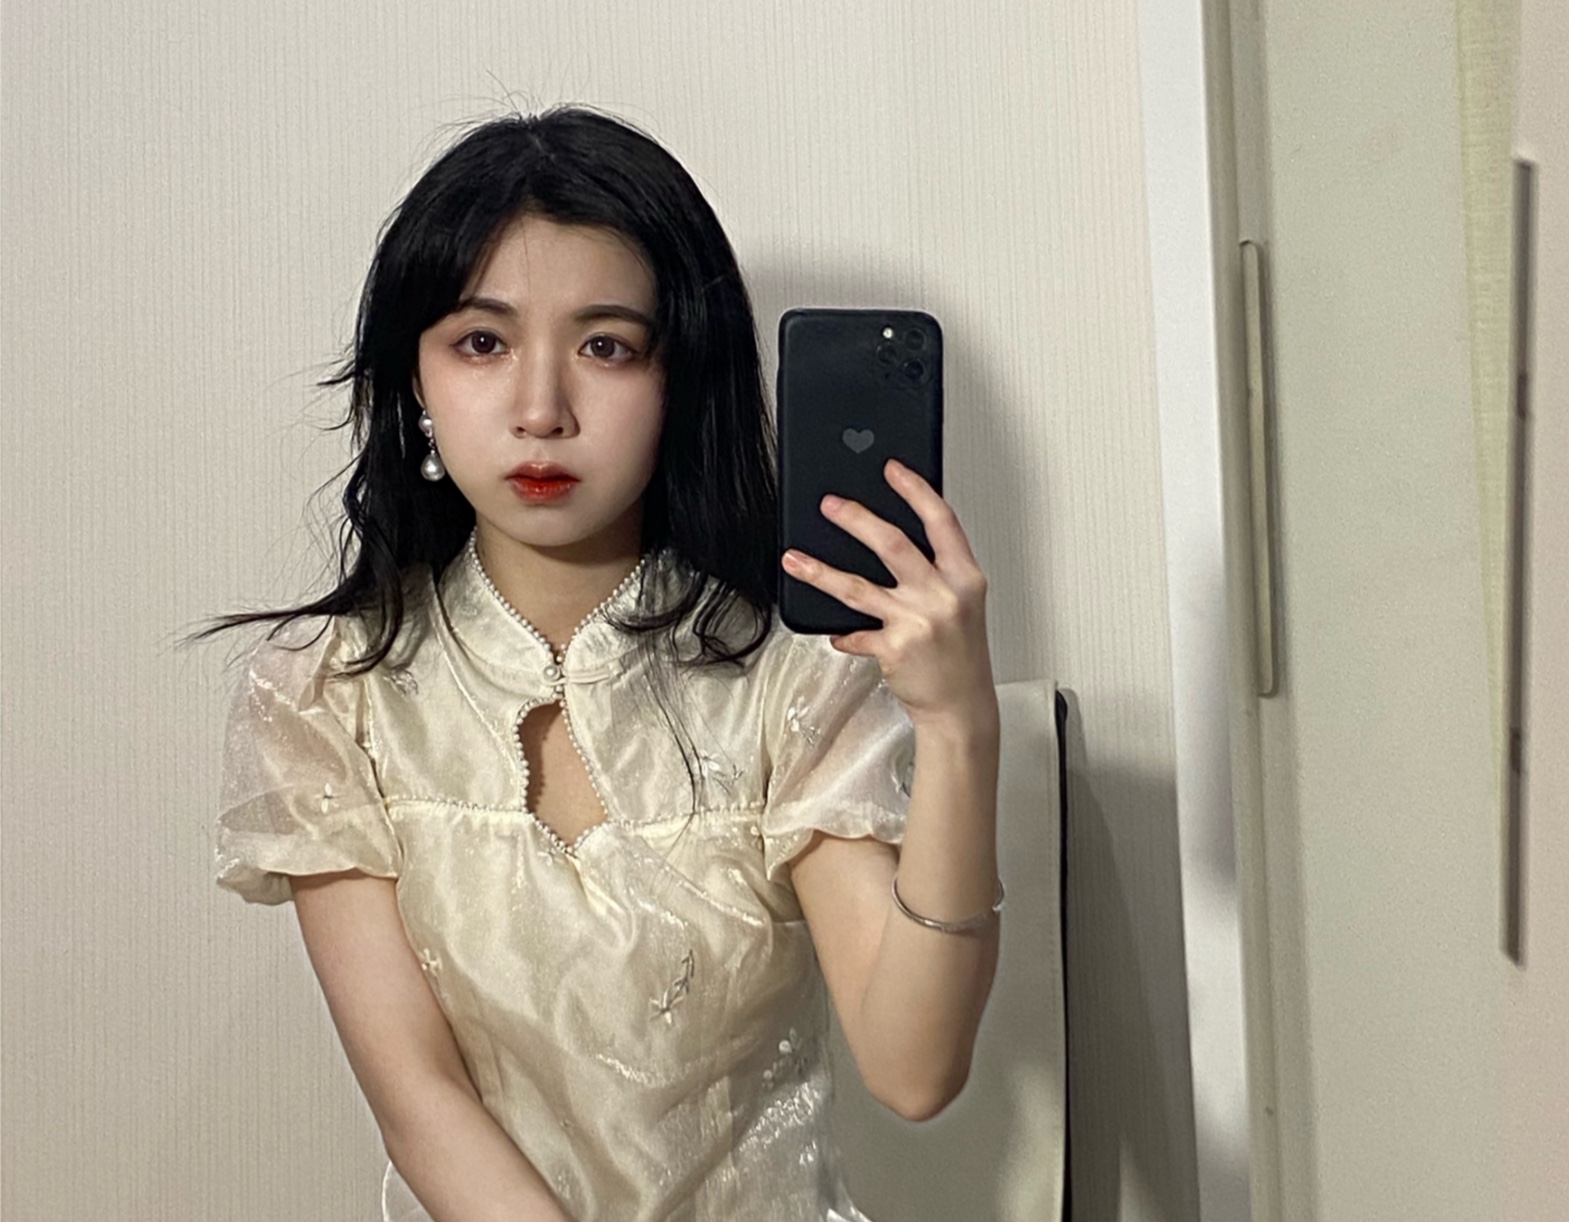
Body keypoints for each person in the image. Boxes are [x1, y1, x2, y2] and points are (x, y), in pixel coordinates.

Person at [198, 106, 1003, 1221]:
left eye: (606, 346)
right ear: (414, 381)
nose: (541, 410)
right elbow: (420, 1101)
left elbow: (914, 1071)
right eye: (482, 343)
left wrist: (961, 729)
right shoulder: (327, 692)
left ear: (681, 383)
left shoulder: (795, 678)